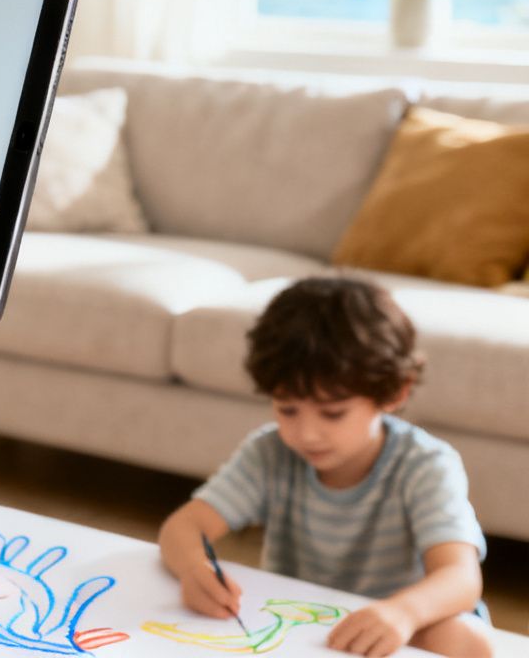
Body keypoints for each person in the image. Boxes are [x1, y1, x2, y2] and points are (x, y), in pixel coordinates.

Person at [158, 276, 491, 658]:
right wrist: (194, 570)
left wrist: (404, 612)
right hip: (306, 632)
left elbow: (461, 578)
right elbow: (183, 527)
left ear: (394, 393)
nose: (307, 434)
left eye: (333, 413)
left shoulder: (425, 465)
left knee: (463, 638)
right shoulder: (269, 454)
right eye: (287, 409)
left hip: (402, 627)